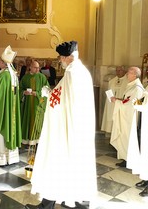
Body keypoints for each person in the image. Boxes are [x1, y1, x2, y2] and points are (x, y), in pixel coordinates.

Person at [24, 41, 97, 209]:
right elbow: (66, 97)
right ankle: (65, 204)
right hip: (76, 126)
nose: (60, 61)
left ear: (68, 57)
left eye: (61, 58)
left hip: (66, 128)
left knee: (57, 161)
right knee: (72, 163)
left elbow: (62, 101)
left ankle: (53, 205)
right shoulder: (81, 71)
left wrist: (48, 93)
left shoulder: (72, 74)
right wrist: (52, 93)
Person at [110, 66, 144, 168]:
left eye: (129, 73)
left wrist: (117, 101)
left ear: (134, 75)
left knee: (129, 138)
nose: (127, 75)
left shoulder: (137, 88)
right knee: (125, 138)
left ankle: (130, 160)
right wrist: (118, 99)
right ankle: (126, 158)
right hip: (127, 117)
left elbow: (133, 104)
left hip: (130, 118)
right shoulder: (132, 86)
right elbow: (127, 100)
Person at [20, 60, 49, 145]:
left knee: (37, 121)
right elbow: (20, 88)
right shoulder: (25, 77)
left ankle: (36, 140)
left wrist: (37, 93)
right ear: (30, 68)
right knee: (28, 120)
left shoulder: (42, 77)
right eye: (35, 67)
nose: (37, 69)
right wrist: (24, 92)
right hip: (27, 105)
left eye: (38, 67)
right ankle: (26, 139)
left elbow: (47, 90)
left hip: (38, 104)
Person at [126, 85, 148, 197]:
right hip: (144, 123)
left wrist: (140, 107)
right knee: (144, 153)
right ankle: (146, 178)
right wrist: (139, 103)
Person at [101, 66, 128, 135]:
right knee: (110, 115)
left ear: (124, 71)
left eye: (120, 70)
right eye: (117, 71)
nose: (118, 72)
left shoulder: (128, 81)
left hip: (121, 103)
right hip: (111, 103)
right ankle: (110, 131)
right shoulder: (112, 81)